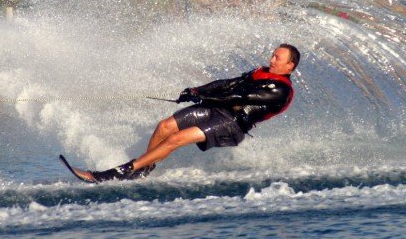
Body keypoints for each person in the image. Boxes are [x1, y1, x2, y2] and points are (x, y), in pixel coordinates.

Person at [85, 43, 300, 182]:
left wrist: (204, 98)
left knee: (175, 139)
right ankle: (143, 169)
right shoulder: (260, 72)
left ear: (289, 66)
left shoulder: (281, 91)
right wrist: (197, 91)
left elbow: (238, 98)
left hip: (233, 124)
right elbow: (227, 85)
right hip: (218, 109)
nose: (271, 60)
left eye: (277, 58)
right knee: (165, 126)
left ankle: (122, 171)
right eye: (272, 55)